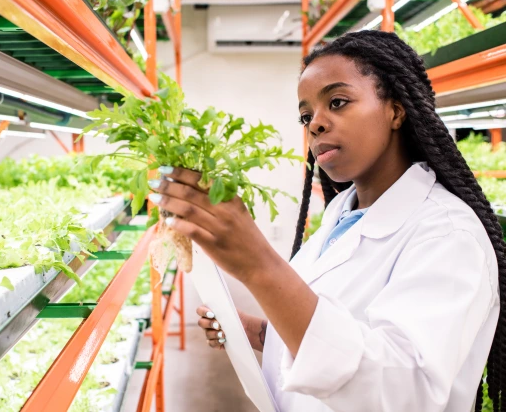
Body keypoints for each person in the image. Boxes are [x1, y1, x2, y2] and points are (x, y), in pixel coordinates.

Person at [147, 31, 503, 411]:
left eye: (337, 102)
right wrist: (267, 335)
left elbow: (406, 394)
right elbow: (336, 330)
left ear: (396, 110)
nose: (316, 124)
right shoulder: (343, 212)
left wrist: (260, 267)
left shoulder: (448, 235)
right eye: (306, 116)